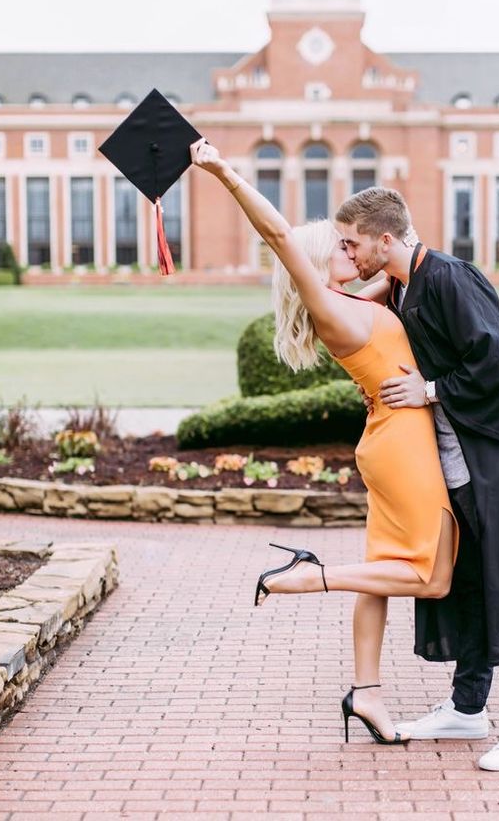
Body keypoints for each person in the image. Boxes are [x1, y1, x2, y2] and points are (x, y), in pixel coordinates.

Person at [189, 139, 459, 747]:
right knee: (432, 576)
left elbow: (403, 285)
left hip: (389, 441)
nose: (349, 249)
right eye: (339, 247)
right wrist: (224, 171)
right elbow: (281, 236)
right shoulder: (331, 308)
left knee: (384, 572)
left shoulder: (353, 302)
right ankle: (310, 577)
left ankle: (366, 693)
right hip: (404, 447)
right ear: (314, 263)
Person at [335, 186, 499, 773]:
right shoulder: (406, 282)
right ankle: (467, 707)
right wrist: (365, 282)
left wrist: (430, 391)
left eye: (353, 242)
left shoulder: (452, 278)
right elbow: (345, 296)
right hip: (456, 465)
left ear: (386, 239)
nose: (345, 252)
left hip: (497, 458)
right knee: (469, 583)